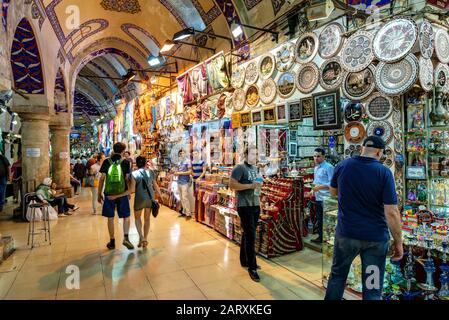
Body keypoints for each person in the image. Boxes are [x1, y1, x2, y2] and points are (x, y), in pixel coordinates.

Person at [325, 136, 403, 300]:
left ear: (362, 148)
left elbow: (333, 192)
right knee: (372, 285)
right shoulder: (383, 172)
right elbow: (392, 212)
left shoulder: (343, 165)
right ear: (379, 152)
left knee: (337, 277)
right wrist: (398, 242)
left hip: (346, 235)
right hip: (374, 239)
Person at [110, 156, 162, 248]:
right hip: (150, 198)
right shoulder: (151, 172)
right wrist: (160, 195)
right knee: (147, 219)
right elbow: (155, 185)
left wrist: (117, 195)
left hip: (139, 199)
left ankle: (141, 237)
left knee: (137, 219)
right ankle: (145, 238)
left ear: (136, 164)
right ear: (146, 163)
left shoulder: (134, 174)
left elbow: (132, 190)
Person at [229, 146, 263, 282]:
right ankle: (252, 267)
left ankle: (245, 260)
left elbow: (256, 185)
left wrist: (258, 187)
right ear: (246, 155)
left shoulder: (255, 169)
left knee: (247, 233)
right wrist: (250, 186)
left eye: (256, 154)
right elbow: (232, 185)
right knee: (251, 236)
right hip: (244, 206)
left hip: (255, 204)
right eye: (253, 154)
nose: (255, 156)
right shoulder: (239, 168)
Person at [98, 142, 133, 250]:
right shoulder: (126, 162)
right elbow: (127, 178)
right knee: (126, 217)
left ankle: (112, 241)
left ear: (113, 149)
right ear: (123, 151)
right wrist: (128, 192)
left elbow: (102, 178)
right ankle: (126, 237)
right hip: (122, 193)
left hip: (109, 193)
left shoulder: (106, 161)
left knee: (110, 217)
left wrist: (99, 193)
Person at [310, 147, 334, 244]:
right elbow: (316, 182)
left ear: (323, 156)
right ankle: (321, 237)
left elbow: (332, 183)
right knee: (320, 219)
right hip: (318, 197)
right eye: (314, 156)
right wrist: (313, 190)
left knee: (327, 220)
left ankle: (329, 239)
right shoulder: (316, 168)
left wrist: (319, 187)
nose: (316, 158)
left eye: (318, 156)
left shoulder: (329, 167)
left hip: (327, 198)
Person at [174, 149, 195, 219]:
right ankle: (184, 212)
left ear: (185, 153)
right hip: (179, 181)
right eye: (180, 153)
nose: (182, 154)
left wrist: (180, 173)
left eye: (183, 153)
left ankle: (188, 213)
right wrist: (175, 172)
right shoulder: (179, 162)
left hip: (185, 182)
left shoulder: (188, 161)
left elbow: (189, 172)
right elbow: (177, 170)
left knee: (184, 197)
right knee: (181, 198)